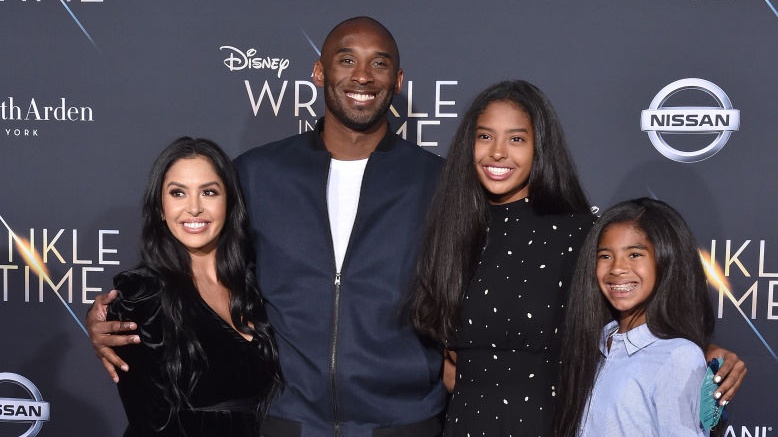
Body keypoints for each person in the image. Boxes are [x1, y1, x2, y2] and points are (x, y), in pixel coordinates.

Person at [88, 17, 447, 437]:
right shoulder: (257, 174)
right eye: (346, 60)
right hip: (287, 421)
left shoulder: (439, 182)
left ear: (399, 80)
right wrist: (117, 316)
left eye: (379, 64)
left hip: (404, 422)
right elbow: (193, 261)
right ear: (319, 71)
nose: (362, 75)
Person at [410, 80, 745, 436]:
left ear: (541, 147)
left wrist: (703, 352)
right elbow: (446, 362)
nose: (498, 152)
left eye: (517, 139)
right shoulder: (453, 232)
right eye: (485, 136)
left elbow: (636, 318)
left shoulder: (581, 234)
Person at [106, 137, 282, 436]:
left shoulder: (256, 284)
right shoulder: (141, 298)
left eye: (209, 192)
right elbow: (149, 424)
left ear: (229, 202)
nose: (194, 208)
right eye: (178, 193)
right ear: (160, 207)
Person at [554, 197, 720, 436]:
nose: (617, 268)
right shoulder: (592, 345)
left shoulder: (678, 356)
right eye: (605, 256)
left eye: (634, 255)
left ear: (666, 259)